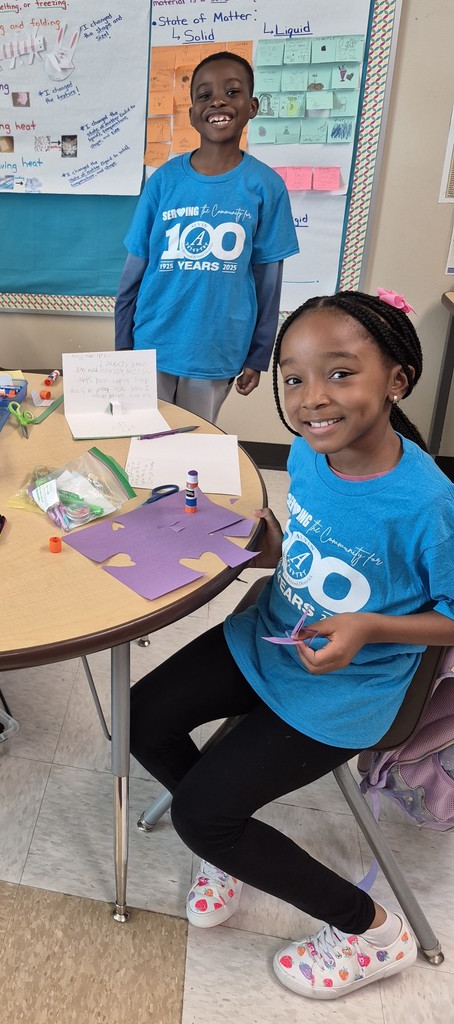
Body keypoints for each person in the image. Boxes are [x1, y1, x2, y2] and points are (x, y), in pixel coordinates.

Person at [129, 289, 454, 999]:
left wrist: (370, 627)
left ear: (397, 380)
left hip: (346, 690)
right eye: (295, 379)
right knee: (141, 717)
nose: (313, 399)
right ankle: (226, 844)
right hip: (270, 637)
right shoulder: (309, 454)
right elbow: (299, 550)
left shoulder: (429, 504)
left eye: (340, 373)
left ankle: (373, 933)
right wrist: (262, 545)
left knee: (201, 815)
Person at [115, 51, 299, 423]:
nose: (217, 101)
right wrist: (123, 346)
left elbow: (268, 282)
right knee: (142, 438)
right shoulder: (163, 181)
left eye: (232, 92)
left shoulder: (266, 186)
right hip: (152, 342)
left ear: (252, 107)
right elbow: (133, 275)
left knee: (194, 442)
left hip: (216, 348)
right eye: (204, 95)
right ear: (192, 114)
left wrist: (258, 354)